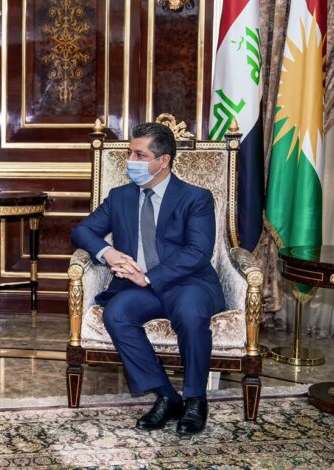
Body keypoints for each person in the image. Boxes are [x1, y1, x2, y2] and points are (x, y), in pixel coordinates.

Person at [71, 122, 225, 435]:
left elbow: (198, 252)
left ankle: (196, 399)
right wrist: (108, 253)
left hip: (189, 283)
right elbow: (82, 230)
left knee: (190, 312)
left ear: (163, 161)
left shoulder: (196, 197)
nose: (131, 160)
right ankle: (167, 397)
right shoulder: (120, 197)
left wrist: (149, 277)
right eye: (130, 153)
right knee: (117, 313)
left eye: (139, 155)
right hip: (139, 288)